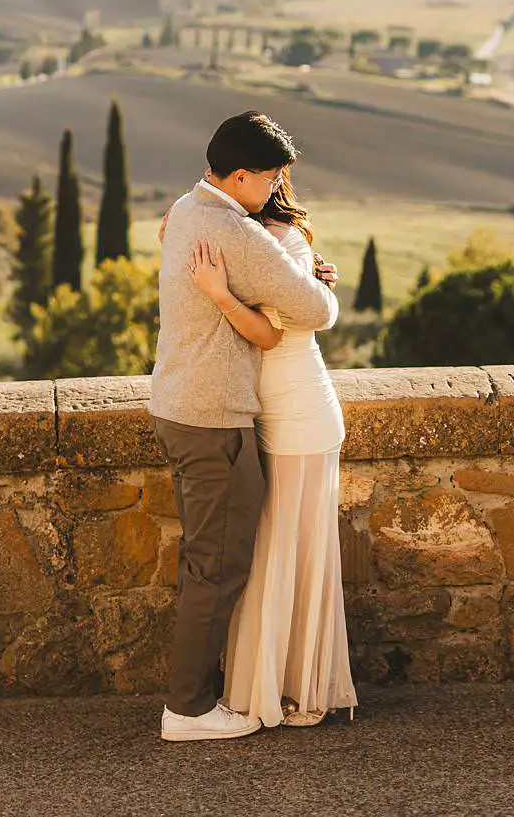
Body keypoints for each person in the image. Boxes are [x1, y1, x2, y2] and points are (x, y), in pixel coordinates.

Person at [149, 109, 339, 744]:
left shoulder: (185, 209)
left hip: (176, 405)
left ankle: (194, 700)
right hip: (214, 417)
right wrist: (314, 280)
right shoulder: (235, 232)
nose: (276, 187)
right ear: (238, 177)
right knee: (218, 567)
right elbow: (316, 311)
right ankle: (188, 710)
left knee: (204, 561)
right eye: (270, 176)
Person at [190, 165, 358, 730]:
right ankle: (272, 681)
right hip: (269, 409)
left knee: (293, 549)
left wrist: (220, 294)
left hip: (300, 411)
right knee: (272, 548)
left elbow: (273, 332)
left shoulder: (278, 241)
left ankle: (299, 687)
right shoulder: (240, 234)